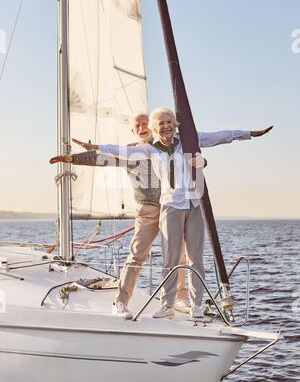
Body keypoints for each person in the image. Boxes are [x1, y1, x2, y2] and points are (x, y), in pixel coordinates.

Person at [89, 107, 272, 319]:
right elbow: (121, 151)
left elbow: (221, 136)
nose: (166, 126)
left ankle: (196, 305)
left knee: (195, 258)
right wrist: (96, 147)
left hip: (194, 205)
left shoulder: (188, 140)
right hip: (170, 207)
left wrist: (249, 134)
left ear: (174, 123)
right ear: (154, 128)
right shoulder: (151, 149)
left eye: (169, 122)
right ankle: (166, 306)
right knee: (171, 259)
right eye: (161, 123)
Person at [50, 114, 191, 319]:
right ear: (134, 131)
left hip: (173, 208)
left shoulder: (169, 146)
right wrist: (73, 159)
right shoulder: (130, 152)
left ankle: (180, 298)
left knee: (178, 255)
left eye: (145, 124)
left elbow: (192, 159)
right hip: (148, 210)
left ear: (152, 126)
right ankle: (121, 302)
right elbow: (99, 158)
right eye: (138, 126)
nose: (142, 128)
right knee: (137, 255)